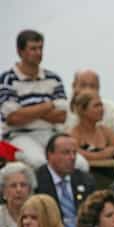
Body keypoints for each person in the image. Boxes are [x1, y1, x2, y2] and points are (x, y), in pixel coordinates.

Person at [0, 29, 67, 169]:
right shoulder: (7, 79)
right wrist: (48, 105)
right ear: (20, 51)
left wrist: (27, 110)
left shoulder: (53, 78)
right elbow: (13, 118)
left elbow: (61, 116)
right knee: (41, 164)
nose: (38, 53)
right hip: (19, 136)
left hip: (51, 134)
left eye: (40, 48)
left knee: (79, 164)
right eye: (33, 48)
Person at [35, 133, 96, 227]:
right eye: (66, 153)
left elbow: (93, 216)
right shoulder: (37, 181)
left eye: (74, 153)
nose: (72, 157)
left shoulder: (85, 180)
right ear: (49, 155)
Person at [65, 69, 114, 139]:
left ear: (98, 88)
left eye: (92, 86)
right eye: (83, 85)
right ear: (74, 86)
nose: (88, 90)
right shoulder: (63, 109)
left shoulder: (112, 109)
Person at [69, 90, 114, 161]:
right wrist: (103, 154)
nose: (101, 109)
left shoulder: (105, 131)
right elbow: (75, 153)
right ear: (83, 110)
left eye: (101, 105)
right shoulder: (75, 134)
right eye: (96, 106)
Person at [0, 162, 37, 227]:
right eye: (13, 185)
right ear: (3, 191)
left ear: (30, 190)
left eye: (23, 185)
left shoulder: (40, 215)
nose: (19, 190)